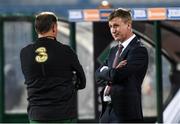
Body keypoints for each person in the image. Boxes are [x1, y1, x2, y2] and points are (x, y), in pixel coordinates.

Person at [20, 12, 86, 123]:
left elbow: (30, 78)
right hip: (63, 114)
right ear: (54, 27)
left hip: (37, 115)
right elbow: (82, 81)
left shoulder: (25, 52)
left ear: (36, 29)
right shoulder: (66, 51)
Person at [95, 8, 148, 123]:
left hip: (126, 115)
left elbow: (116, 76)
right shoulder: (114, 50)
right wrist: (112, 70)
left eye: (116, 26)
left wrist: (109, 71)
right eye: (110, 27)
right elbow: (97, 75)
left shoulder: (138, 50)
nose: (113, 30)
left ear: (128, 25)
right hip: (107, 112)